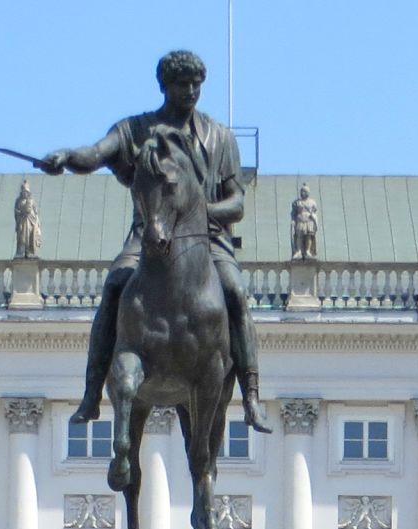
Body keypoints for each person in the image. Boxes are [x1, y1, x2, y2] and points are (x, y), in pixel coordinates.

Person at [42, 48, 264, 431]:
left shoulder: (220, 137)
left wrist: (197, 213)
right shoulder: (135, 130)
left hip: (205, 239)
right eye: (182, 84)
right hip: (148, 235)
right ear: (164, 86)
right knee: (114, 286)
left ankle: (252, 394)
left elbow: (237, 202)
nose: (191, 91)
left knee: (235, 293)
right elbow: (95, 155)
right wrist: (65, 156)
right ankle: (93, 392)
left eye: (197, 84)